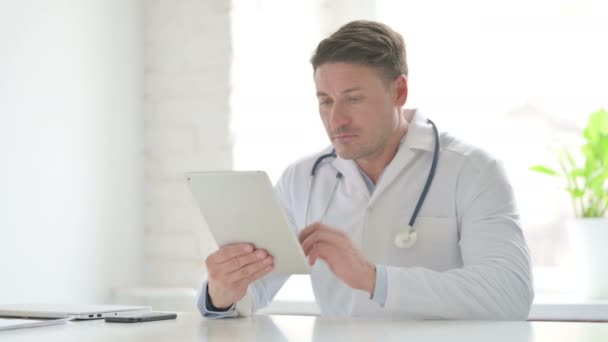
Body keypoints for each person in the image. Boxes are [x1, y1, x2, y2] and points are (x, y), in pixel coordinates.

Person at [197, 20, 534, 320]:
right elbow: (250, 295)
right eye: (325, 100)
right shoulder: (302, 179)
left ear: (399, 91)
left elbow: (509, 293)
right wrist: (222, 292)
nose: (336, 119)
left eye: (354, 99)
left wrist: (375, 279)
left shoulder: (473, 170)